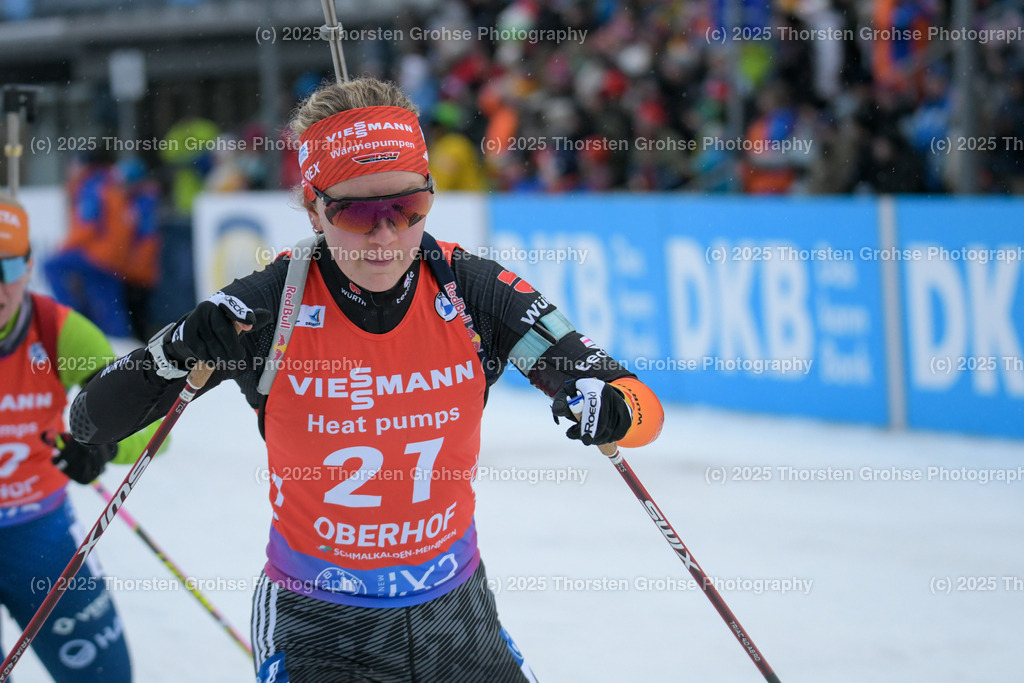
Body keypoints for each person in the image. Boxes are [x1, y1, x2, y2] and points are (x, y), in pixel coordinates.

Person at [67, 77, 664, 682]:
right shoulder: (269, 305)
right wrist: (180, 349)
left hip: (456, 612)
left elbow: (642, 408)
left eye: (408, 208)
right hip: (315, 622)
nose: (385, 236)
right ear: (312, 206)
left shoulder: (474, 291)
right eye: (356, 212)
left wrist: (614, 410)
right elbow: (91, 420)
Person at [0, 192, 159, 682]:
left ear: (29, 267)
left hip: (37, 534)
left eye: (6, 269)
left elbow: (154, 424)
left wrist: (103, 445)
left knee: (105, 677)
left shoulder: (56, 332)